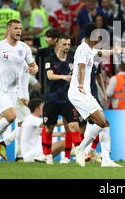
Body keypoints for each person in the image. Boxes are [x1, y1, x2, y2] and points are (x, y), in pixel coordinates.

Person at [0, 19, 39, 166]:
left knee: (2, 124)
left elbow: (34, 66)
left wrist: (34, 69)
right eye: (16, 28)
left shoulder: (24, 48)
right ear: (9, 30)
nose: (19, 31)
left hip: (13, 91)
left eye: (20, 28)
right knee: (11, 117)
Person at [69, 23, 124, 168]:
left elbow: (101, 53)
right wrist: (80, 84)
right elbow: (81, 67)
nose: (100, 36)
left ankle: (106, 159)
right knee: (101, 122)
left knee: (105, 123)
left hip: (84, 92)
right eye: (98, 33)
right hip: (79, 91)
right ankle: (81, 148)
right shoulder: (82, 49)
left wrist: (115, 51)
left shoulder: (90, 49)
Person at [42, 35, 83, 165]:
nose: (67, 47)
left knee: (73, 125)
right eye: (64, 45)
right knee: (49, 128)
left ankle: (79, 154)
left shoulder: (72, 58)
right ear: (58, 44)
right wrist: (64, 77)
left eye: (69, 45)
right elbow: (49, 76)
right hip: (52, 98)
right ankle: (48, 156)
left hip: (68, 98)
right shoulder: (50, 59)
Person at [21, 98, 66, 163]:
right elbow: (48, 123)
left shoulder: (31, 120)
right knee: (63, 143)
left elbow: (42, 133)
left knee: (62, 146)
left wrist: (61, 134)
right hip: (33, 155)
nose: (45, 109)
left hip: (30, 155)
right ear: (37, 109)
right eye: (43, 107)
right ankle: (81, 153)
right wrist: (68, 122)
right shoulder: (31, 119)